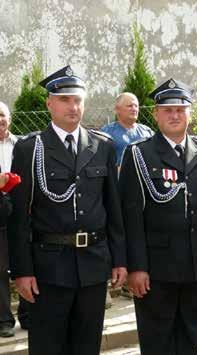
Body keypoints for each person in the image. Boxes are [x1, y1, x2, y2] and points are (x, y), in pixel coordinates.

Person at [7, 65, 127, 355]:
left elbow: (114, 208)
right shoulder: (29, 149)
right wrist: (22, 271)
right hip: (49, 268)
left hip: (93, 264)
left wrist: (119, 260)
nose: (72, 106)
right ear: (49, 103)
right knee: (48, 345)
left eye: (78, 100)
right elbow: (19, 217)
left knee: (87, 345)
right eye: (64, 100)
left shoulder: (102, 146)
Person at [120, 78, 197, 355]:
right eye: (167, 109)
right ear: (156, 113)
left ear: (189, 113)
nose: (174, 115)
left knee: (192, 339)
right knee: (157, 342)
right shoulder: (139, 155)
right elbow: (131, 218)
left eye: (180, 109)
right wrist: (136, 267)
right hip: (157, 271)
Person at [0, 102, 18, 337]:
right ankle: (4, 320)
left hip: (24, 210)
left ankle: (28, 316)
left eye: (2, 115)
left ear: (10, 118)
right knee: (0, 268)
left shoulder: (22, 144)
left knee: (27, 263)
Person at [101, 92, 154, 168]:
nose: (134, 109)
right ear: (117, 109)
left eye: (136, 106)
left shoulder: (147, 132)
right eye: (130, 106)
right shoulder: (106, 132)